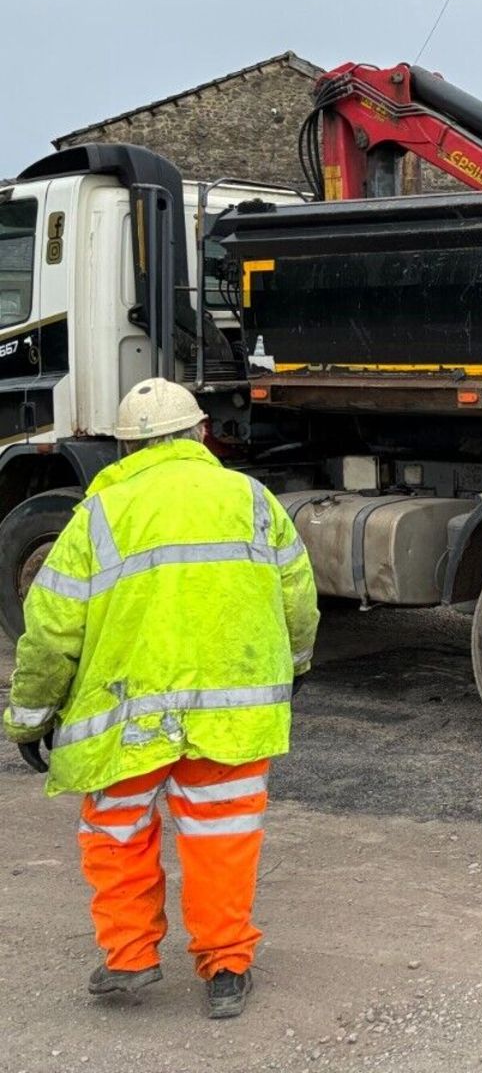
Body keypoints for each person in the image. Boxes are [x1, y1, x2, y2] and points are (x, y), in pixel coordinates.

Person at [3, 377, 318, 1020]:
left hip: (125, 720)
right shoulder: (251, 499)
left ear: (125, 448)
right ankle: (226, 966)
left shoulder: (98, 516)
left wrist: (28, 720)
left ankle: (128, 957)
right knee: (222, 838)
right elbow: (298, 598)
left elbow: (50, 630)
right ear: (201, 433)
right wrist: (296, 668)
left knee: (116, 833)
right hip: (229, 718)